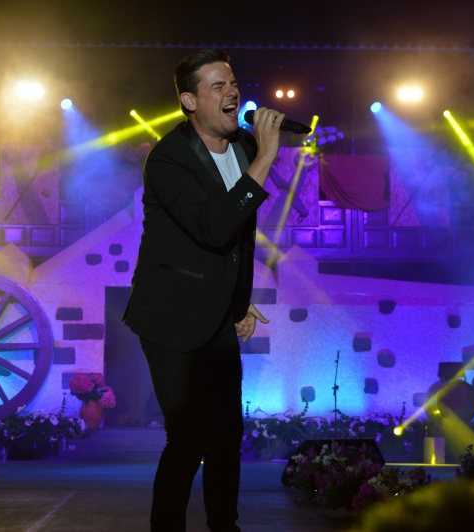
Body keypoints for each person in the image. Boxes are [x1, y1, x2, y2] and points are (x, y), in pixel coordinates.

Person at [123, 48, 285, 532]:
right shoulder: (169, 159)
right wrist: (268, 156)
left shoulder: (242, 146)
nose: (232, 91)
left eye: (232, 82)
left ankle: (224, 525)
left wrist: (239, 299)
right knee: (189, 437)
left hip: (217, 316)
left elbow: (238, 238)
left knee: (227, 435)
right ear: (190, 101)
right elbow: (213, 229)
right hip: (169, 318)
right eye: (218, 85)